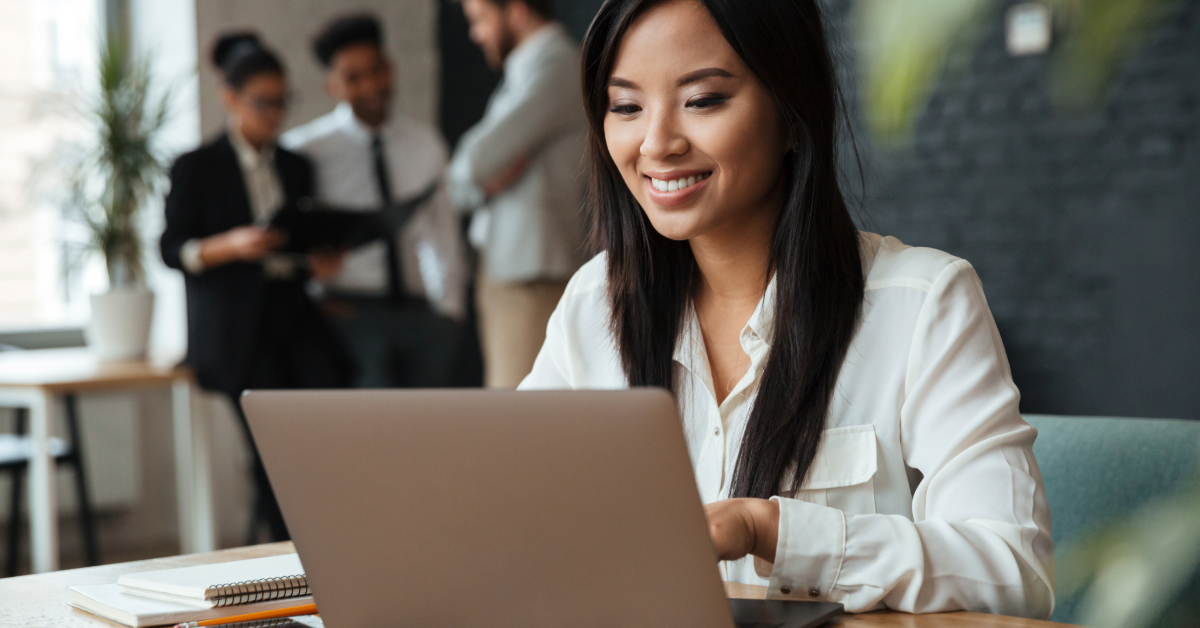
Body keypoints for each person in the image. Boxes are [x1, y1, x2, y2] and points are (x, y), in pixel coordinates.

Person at [519, 0, 1055, 619]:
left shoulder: (923, 303)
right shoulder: (595, 304)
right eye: (627, 107)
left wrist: (770, 529)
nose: (657, 143)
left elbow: (1015, 571)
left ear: (791, 113)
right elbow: (514, 520)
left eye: (703, 100)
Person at [160, 32, 350, 543]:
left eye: (283, 101)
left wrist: (318, 265)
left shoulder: (295, 165)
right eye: (263, 103)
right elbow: (172, 249)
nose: (275, 114)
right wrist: (230, 245)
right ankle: (295, 560)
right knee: (275, 453)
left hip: (293, 316)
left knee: (331, 429)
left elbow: (299, 248)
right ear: (231, 98)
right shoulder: (196, 168)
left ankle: (330, 542)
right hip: (237, 330)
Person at [282, 14, 468, 389]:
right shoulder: (306, 151)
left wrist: (450, 312)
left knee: (426, 433)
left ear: (391, 68)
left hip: (421, 313)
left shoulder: (425, 144)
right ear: (331, 86)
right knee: (368, 435)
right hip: (350, 311)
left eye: (377, 70)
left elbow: (442, 233)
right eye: (353, 77)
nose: (371, 85)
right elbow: (295, 239)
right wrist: (314, 297)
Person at [449, 0, 587, 389]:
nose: (476, 34)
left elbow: (474, 161)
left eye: (480, 20)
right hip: (512, 269)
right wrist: (471, 181)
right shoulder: (528, 68)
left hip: (533, 274)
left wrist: (471, 179)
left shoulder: (556, 65)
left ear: (517, 11)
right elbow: (468, 176)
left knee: (515, 419)